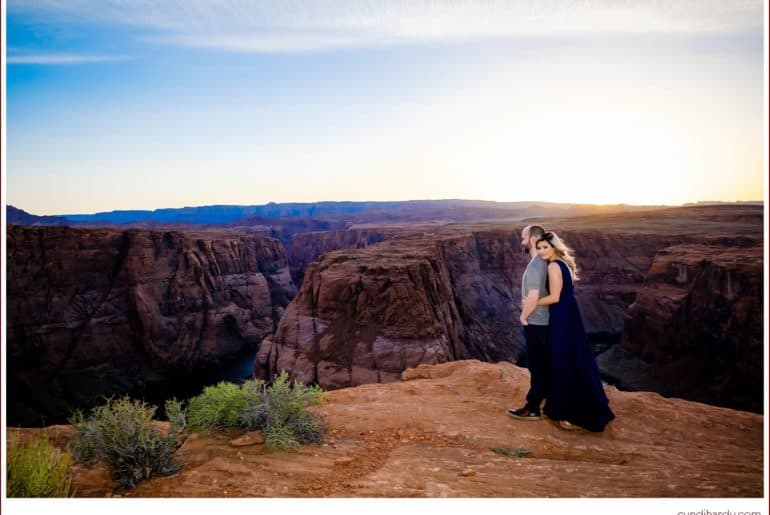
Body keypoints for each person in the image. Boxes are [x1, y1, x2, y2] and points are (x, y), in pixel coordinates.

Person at [534, 231, 615, 432]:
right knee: (575, 357)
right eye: (539, 248)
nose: (542, 251)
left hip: (560, 316)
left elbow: (554, 297)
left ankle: (567, 412)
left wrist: (532, 302)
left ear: (553, 246)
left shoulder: (553, 266)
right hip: (571, 314)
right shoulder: (565, 263)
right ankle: (586, 404)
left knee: (561, 359)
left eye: (545, 247)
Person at [508, 224, 551, 421]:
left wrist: (523, 317)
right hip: (544, 322)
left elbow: (533, 296)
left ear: (533, 239)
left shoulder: (535, 264)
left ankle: (533, 407)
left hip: (536, 322)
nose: (522, 241)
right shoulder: (544, 261)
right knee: (543, 364)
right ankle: (546, 401)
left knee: (537, 366)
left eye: (524, 237)